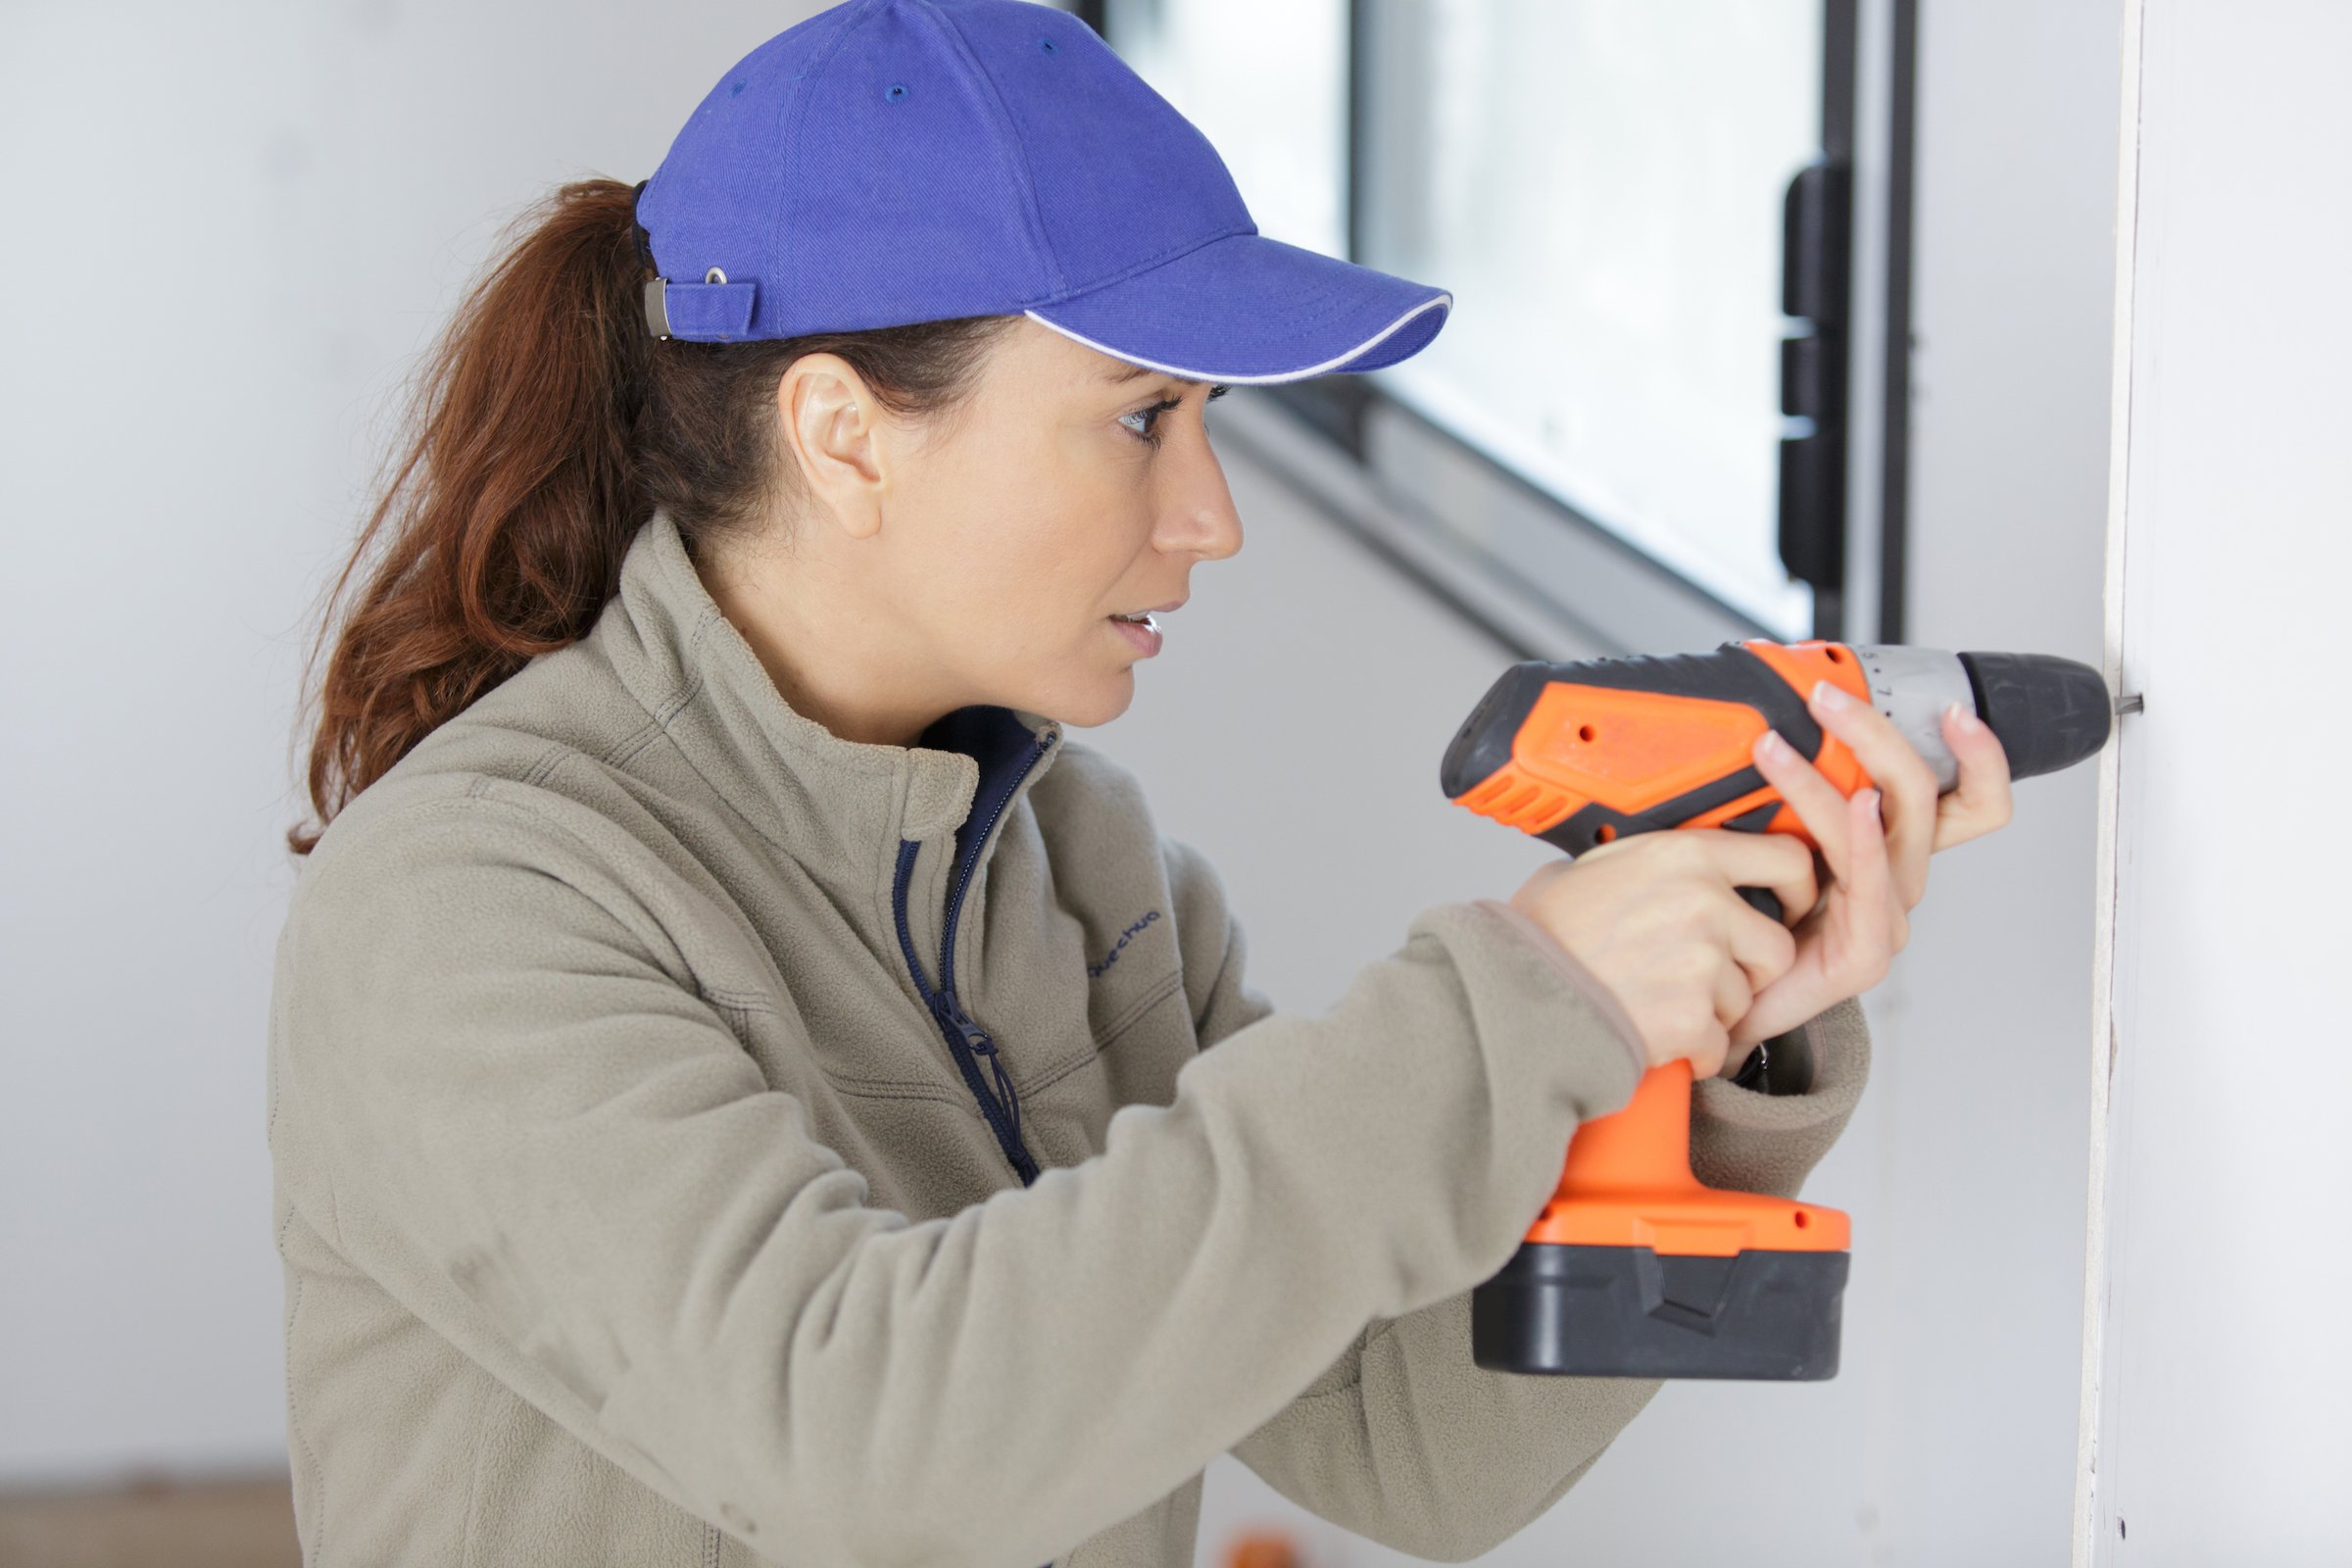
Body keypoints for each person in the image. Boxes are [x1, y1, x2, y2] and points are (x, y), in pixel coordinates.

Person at [270, 3, 2014, 1565]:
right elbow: (856, 1438)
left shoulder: (1076, 869)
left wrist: (1679, 1072)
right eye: (1140, 418)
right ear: (840, 432)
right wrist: (1518, 1002)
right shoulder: (475, 902)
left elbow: (1419, 1451)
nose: (1210, 515)